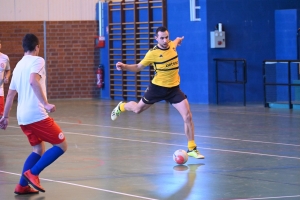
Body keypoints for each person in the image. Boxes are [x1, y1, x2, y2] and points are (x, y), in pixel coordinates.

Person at [111, 26, 204, 159]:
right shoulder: (152, 53)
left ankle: (191, 148)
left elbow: (176, 41)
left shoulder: (172, 45)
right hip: (157, 88)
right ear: (156, 38)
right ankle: (121, 106)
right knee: (137, 109)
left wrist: (179, 39)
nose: (165, 40)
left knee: (188, 116)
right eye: (162, 38)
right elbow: (138, 67)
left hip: (173, 89)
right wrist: (124, 66)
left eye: (167, 37)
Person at [0, 34, 68, 195]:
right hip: (36, 115)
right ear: (37, 47)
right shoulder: (38, 60)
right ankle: (33, 173)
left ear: (24, 47)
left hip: (22, 118)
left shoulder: (18, 66)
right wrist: (45, 104)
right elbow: (33, 80)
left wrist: (6, 116)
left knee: (38, 149)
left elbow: (10, 95)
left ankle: (22, 186)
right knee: (61, 145)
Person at [0, 40, 11, 116]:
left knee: (1, 114)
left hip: (0, 89)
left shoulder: (5, 58)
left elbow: (8, 70)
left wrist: (6, 77)